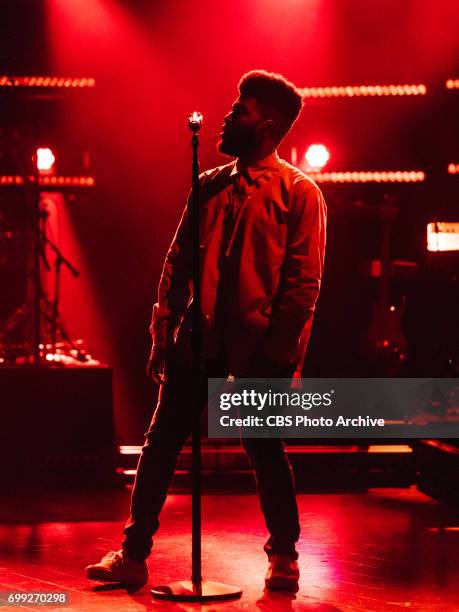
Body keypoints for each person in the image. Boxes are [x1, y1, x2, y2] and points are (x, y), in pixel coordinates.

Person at [86, 70, 327, 592]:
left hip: (259, 343)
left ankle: (283, 555)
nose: (227, 115)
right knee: (160, 442)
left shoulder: (298, 193)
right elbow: (176, 263)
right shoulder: (210, 185)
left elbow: (303, 281)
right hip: (199, 337)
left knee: (263, 446)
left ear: (266, 124)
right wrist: (163, 329)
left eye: (239, 109)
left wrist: (277, 352)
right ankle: (133, 553)